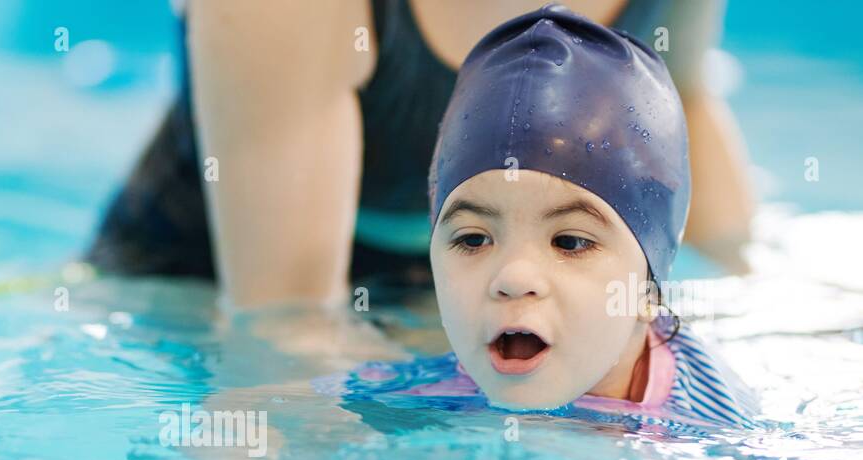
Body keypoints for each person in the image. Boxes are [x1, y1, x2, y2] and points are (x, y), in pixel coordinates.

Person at [87, 0, 755, 309]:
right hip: (194, 289)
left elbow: (682, 102)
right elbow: (283, 333)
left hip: (474, 288)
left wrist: (756, 285)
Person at [313, 5, 759, 429]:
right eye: (473, 239)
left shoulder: (713, 421)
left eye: (569, 242)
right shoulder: (403, 394)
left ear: (648, 291)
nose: (513, 276)